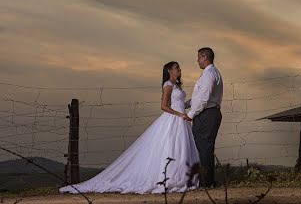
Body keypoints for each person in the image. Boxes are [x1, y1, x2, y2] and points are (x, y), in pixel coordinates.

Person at [60, 62, 200, 194]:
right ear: (170, 71)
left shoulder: (176, 85)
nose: (179, 69)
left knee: (181, 148)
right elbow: (164, 106)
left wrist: (193, 103)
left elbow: (180, 103)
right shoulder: (168, 85)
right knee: (170, 146)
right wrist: (179, 114)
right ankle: (170, 177)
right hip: (174, 119)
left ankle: (182, 176)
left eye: (179, 68)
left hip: (181, 119)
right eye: (177, 67)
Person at [187, 47, 223, 187]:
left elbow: (203, 99)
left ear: (205, 57)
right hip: (209, 113)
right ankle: (207, 180)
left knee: (204, 147)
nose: (197, 60)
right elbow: (198, 97)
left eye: (199, 57)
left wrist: (190, 114)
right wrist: (182, 104)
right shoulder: (212, 73)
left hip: (207, 114)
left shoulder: (208, 75)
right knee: (206, 147)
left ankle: (206, 182)